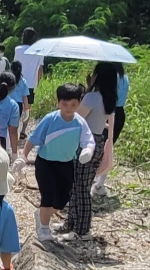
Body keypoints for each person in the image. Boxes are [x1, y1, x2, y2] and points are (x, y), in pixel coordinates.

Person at [21, 84, 95, 243]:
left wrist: (87, 151)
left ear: (79, 103)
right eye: (65, 104)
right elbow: (33, 139)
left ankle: (42, 214)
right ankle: (44, 228)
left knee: (62, 199)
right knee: (47, 196)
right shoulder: (50, 119)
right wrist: (23, 156)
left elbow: (88, 140)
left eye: (73, 104)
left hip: (66, 164)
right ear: (58, 102)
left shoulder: (80, 122)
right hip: (46, 163)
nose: (69, 108)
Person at [61, 63, 119, 239]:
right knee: (79, 185)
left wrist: (86, 91)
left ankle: (82, 230)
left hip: (86, 143)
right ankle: (71, 224)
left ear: (98, 77)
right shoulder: (109, 98)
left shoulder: (92, 98)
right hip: (98, 140)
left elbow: (75, 118)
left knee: (80, 188)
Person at [94, 65, 129, 196]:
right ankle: (100, 184)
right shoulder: (125, 78)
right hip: (119, 113)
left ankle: (88, 181)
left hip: (105, 110)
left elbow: (98, 96)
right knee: (108, 148)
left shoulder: (106, 77)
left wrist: (91, 84)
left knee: (95, 148)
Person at [14, 28, 45, 131]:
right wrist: (38, 84)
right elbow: (40, 70)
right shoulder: (40, 51)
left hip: (17, 82)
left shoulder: (18, 49)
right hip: (31, 83)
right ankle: (23, 131)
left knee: (16, 106)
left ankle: (14, 128)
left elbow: (14, 66)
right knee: (27, 108)